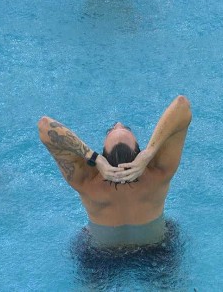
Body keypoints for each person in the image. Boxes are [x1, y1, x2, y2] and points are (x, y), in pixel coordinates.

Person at [38, 96, 192, 248]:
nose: (118, 123)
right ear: (139, 153)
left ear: (104, 154)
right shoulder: (159, 171)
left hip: (102, 253)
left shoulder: (85, 180)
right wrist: (151, 151)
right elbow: (182, 105)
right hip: (156, 246)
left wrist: (94, 158)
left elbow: (45, 126)